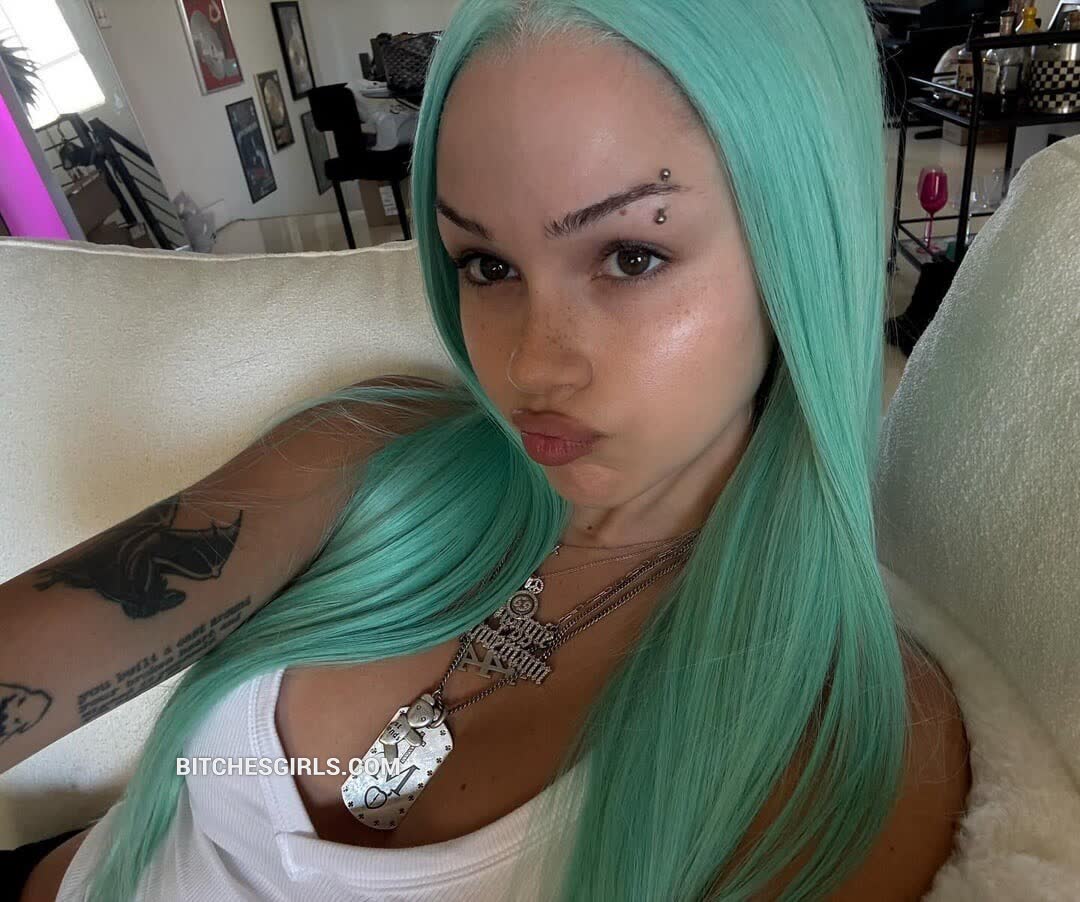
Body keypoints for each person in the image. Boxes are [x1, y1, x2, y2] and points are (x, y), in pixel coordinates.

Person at [8, 0, 970, 898]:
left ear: (799, 252)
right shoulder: (363, 459)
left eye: (631, 255)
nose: (529, 367)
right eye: (487, 264)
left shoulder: (844, 747)